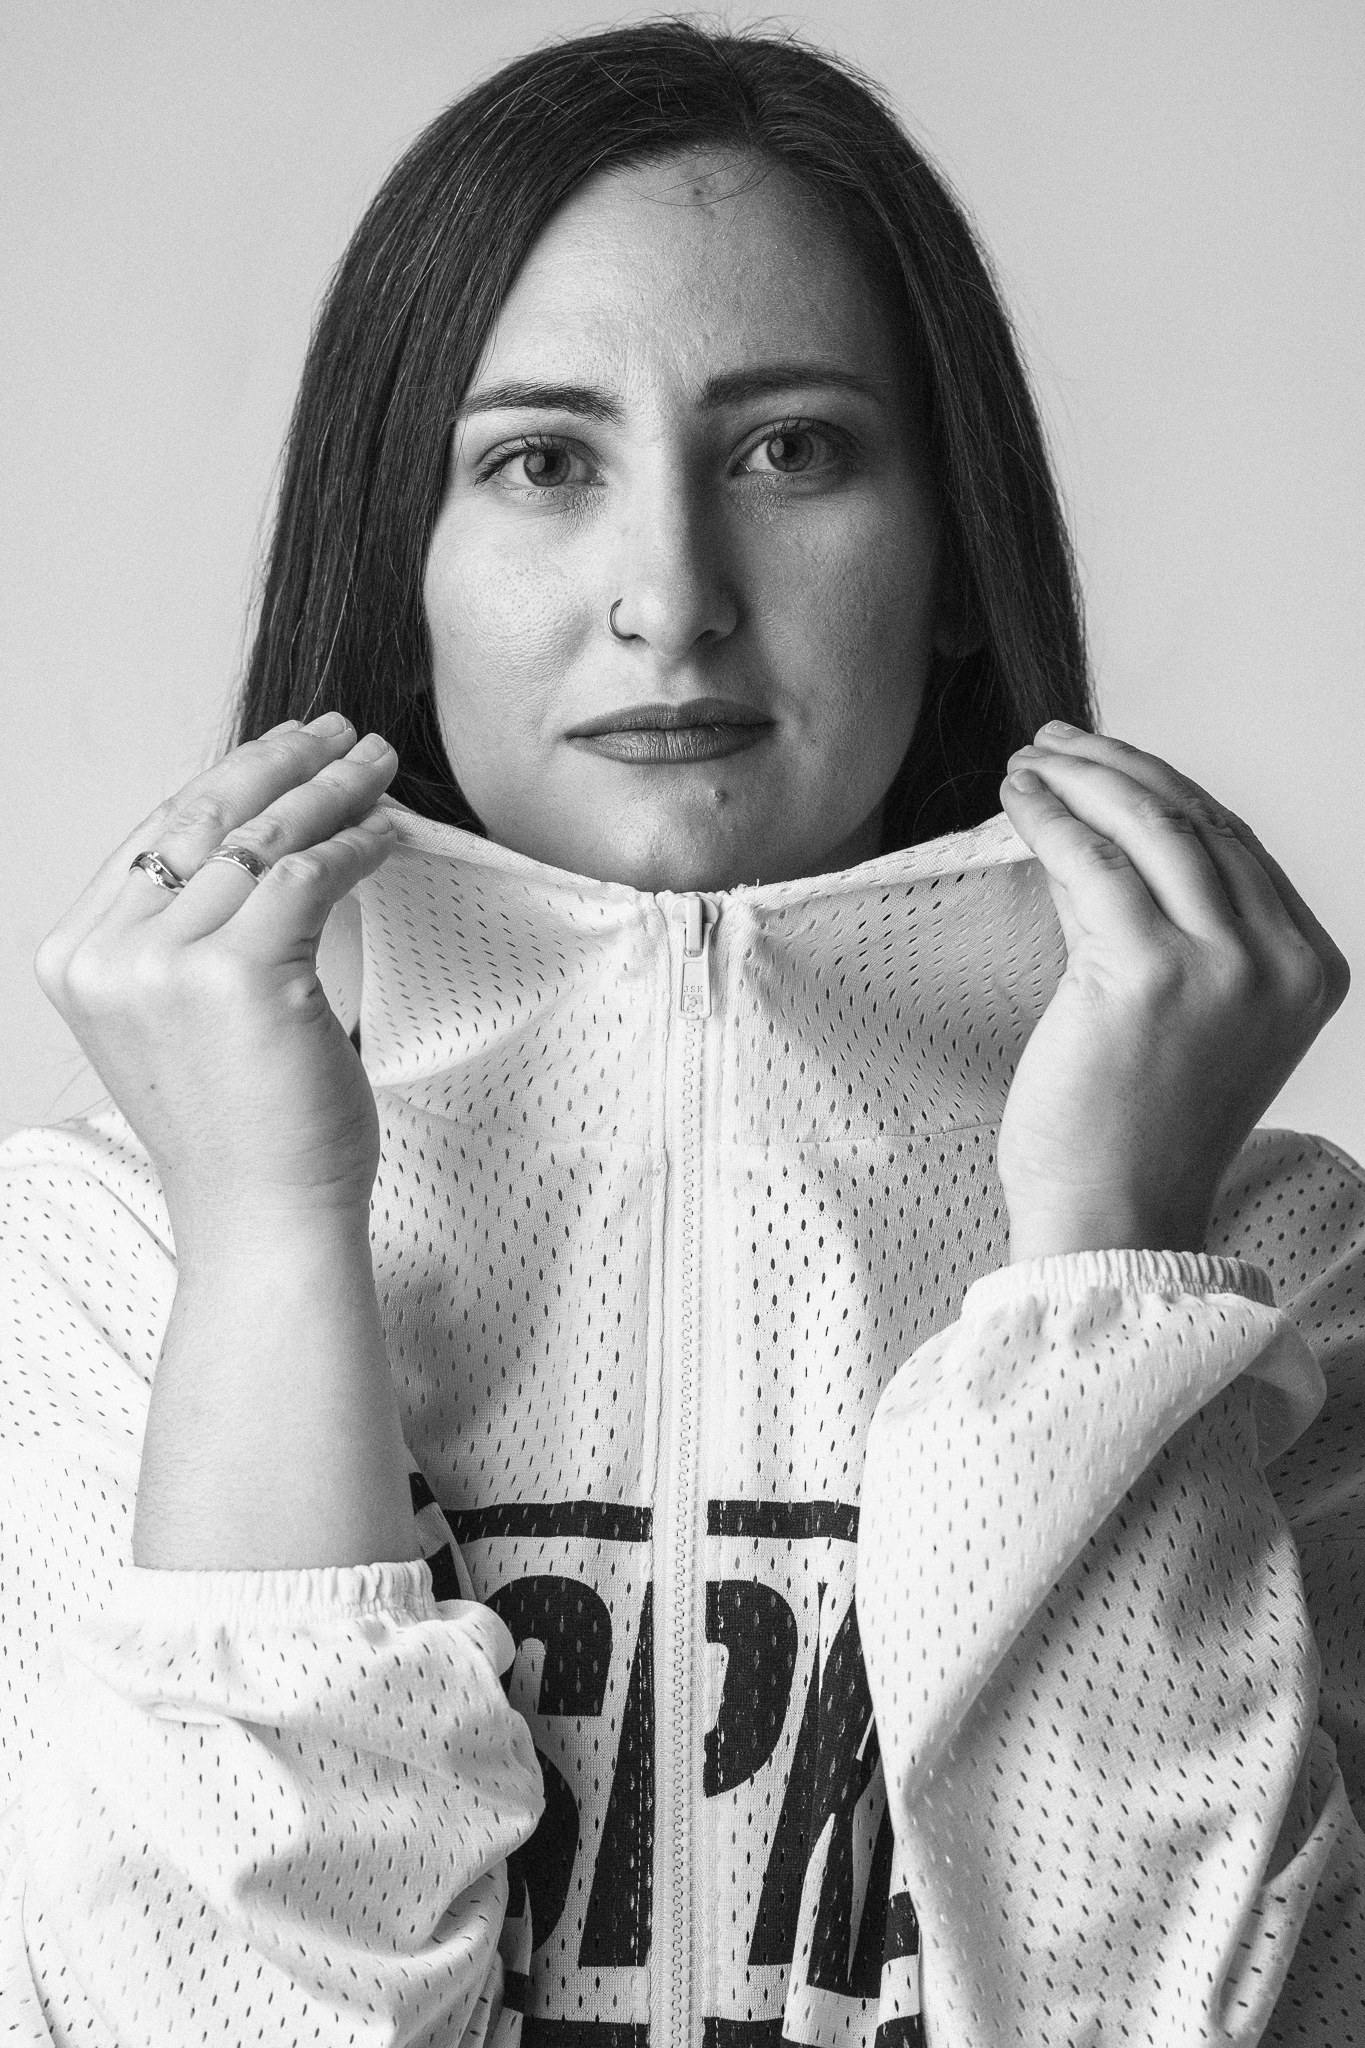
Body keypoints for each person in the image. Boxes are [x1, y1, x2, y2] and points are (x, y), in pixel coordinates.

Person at [1, 16, 1362, 2045]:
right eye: (540, 461)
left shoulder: (1264, 1266)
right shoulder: (114, 1262)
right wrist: (274, 1236)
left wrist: (1098, 1270)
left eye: (787, 448)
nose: (670, 594)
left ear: (950, 560)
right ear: (406, 566)